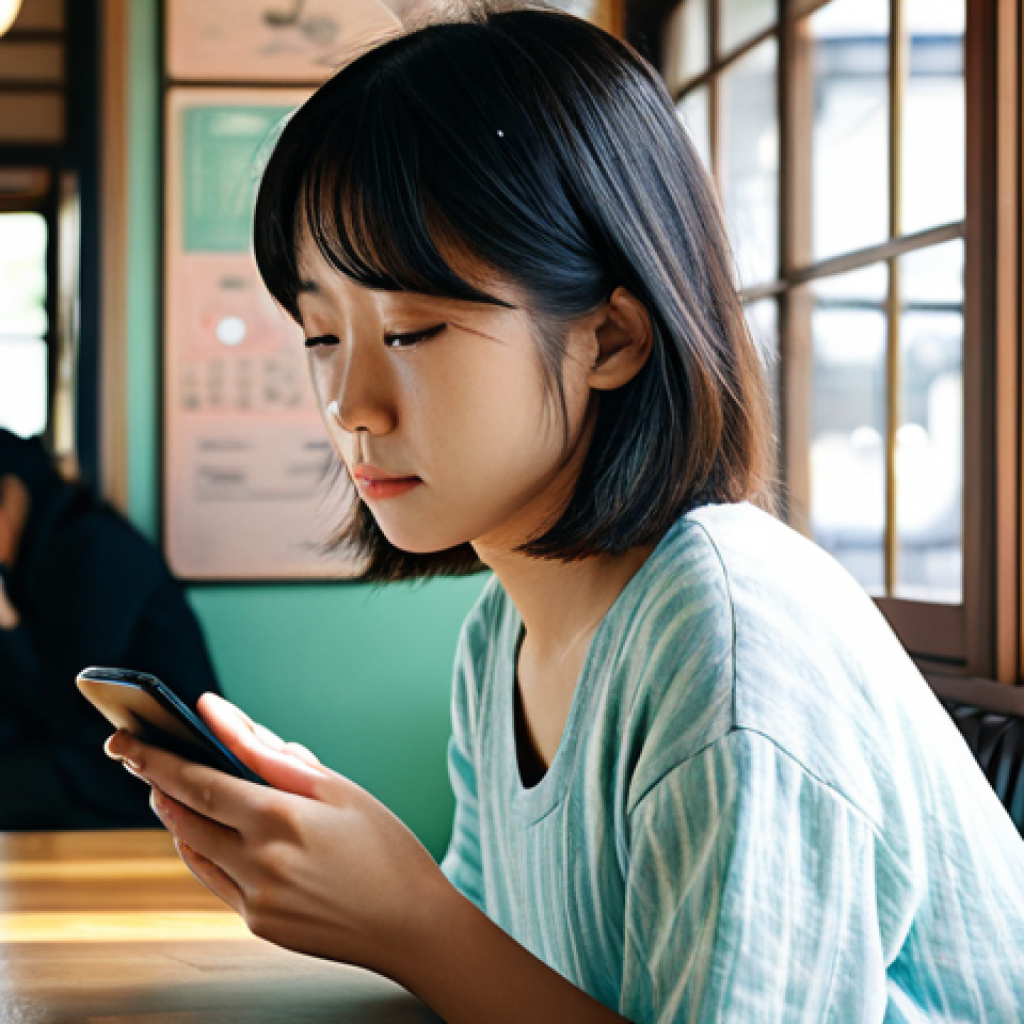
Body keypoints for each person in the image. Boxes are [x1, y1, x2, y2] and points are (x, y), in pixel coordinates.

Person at [105, 6, 1024, 1022]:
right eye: (323, 335)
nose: (350, 404)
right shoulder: (501, 635)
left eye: (412, 329)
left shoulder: (727, 634)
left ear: (612, 338)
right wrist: (368, 897)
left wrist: (409, 917)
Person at [0, 429, 220, 828]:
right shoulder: (47, 553)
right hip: (100, 758)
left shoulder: (90, 549)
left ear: (12, 495)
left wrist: (8, 626)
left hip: (153, 775)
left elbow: (69, 709)